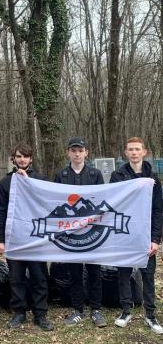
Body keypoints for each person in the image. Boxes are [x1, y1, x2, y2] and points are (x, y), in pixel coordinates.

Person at [0, 143, 54, 331]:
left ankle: (40, 313)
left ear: (31, 159)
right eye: (18, 156)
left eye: (25, 157)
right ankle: (19, 312)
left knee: (39, 276)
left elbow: (46, 204)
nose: (22, 160)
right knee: (16, 277)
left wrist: (27, 181)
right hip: (14, 238)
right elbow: (1, 212)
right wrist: (0, 239)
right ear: (14, 159)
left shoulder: (41, 179)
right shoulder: (5, 182)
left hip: (36, 237)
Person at [110, 137, 163, 334]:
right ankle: (126, 311)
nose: (133, 152)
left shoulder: (153, 178)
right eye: (130, 149)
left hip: (146, 236)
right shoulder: (117, 176)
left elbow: (158, 210)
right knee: (123, 274)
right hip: (124, 234)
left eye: (137, 149)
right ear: (126, 153)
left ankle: (150, 315)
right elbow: (114, 205)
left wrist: (156, 239)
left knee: (148, 276)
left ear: (144, 152)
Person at [54, 137, 106, 328]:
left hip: (93, 231)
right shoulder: (61, 175)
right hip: (71, 233)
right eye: (73, 150)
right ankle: (77, 309)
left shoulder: (95, 174)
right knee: (74, 272)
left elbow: (102, 200)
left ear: (86, 152)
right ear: (68, 152)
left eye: (80, 150)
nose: (77, 154)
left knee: (94, 271)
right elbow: (54, 201)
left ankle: (96, 310)